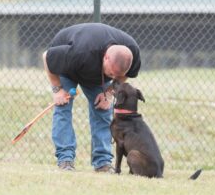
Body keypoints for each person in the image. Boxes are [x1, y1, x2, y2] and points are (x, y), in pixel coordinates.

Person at [42, 23, 141, 172]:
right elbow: (46, 56)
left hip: (93, 73)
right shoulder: (80, 51)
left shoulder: (131, 50)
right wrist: (58, 90)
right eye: (111, 73)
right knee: (63, 108)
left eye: (116, 75)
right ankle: (65, 160)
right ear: (106, 58)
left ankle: (103, 163)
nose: (114, 77)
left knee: (103, 110)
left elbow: (124, 75)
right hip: (68, 67)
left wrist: (109, 92)